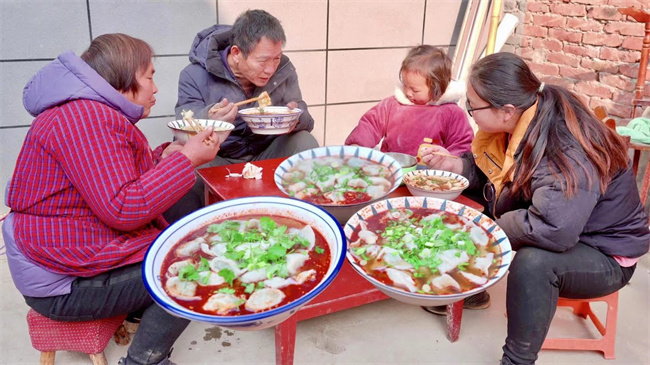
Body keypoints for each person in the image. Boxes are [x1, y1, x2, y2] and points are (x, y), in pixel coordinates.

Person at [3, 34, 221, 365]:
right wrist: (187, 158)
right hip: (64, 282)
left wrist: (165, 159)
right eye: (149, 76)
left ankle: (136, 309)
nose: (155, 88)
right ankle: (142, 361)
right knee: (192, 267)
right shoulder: (85, 120)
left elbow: (110, 179)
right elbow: (122, 207)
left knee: (185, 200)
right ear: (123, 78)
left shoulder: (88, 112)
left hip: (75, 247)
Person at [420, 52, 650, 364]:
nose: (470, 112)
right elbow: (494, 177)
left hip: (605, 252)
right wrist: (454, 164)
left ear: (506, 111)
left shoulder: (564, 148)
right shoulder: (521, 120)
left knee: (532, 263)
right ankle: (472, 289)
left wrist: (488, 229)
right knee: (468, 209)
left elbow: (554, 229)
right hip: (569, 224)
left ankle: (517, 360)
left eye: (473, 106)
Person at [176, 9, 318, 166]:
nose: (270, 69)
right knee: (190, 163)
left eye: (276, 58)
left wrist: (296, 118)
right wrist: (209, 118)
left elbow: (307, 120)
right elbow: (183, 126)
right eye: (262, 61)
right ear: (236, 53)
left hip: (266, 153)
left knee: (305, 142)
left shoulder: (283, 70)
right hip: (218, 157)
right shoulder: (194, 75)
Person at [344, 45, 474, 157]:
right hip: (392, 171)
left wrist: (448, 162)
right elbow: (370, 125)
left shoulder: (451, 113)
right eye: (405, 85)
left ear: (437, 89)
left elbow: (462, 145)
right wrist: (358, 146)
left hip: (430, 179)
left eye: (415, 90)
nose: (407, 92)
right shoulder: (392, 105)